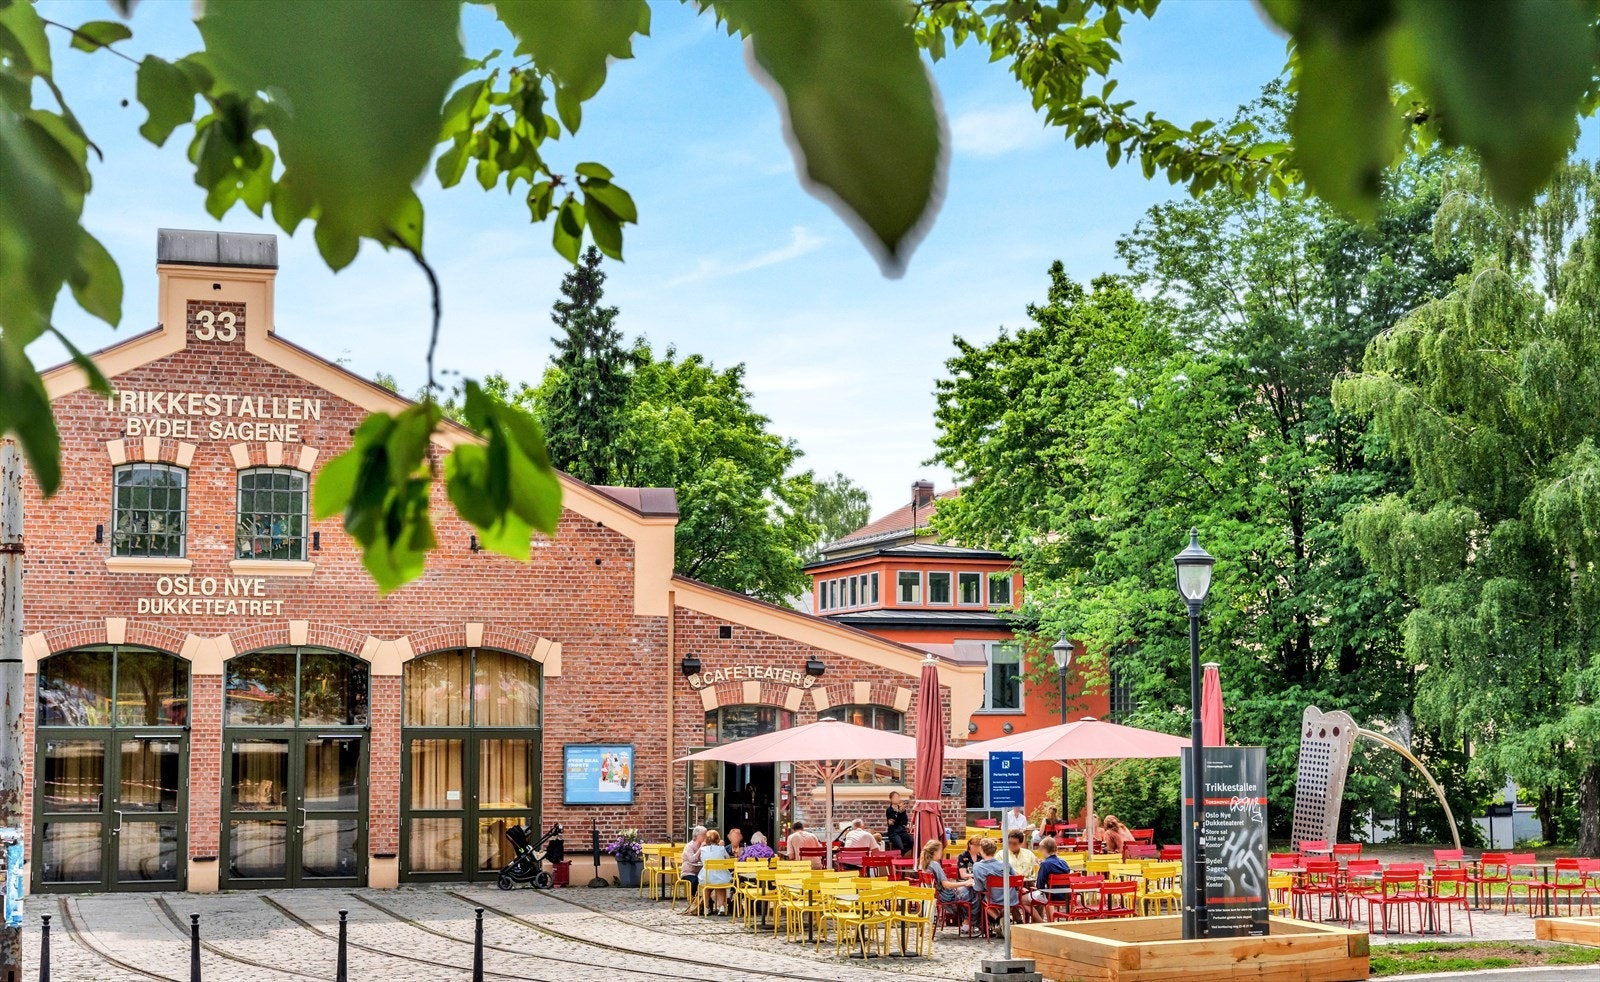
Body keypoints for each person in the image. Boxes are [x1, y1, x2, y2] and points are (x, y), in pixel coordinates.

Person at [972, 837, 1033, 926]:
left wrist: (972, 883)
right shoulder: (1005, 864)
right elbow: (1015, 879)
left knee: (982, 900)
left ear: (981, 850)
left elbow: (979, 888)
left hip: (993, 899)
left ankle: (999, 920)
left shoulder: (977, 866)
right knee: (1006, 897)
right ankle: (1007, 921)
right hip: (1011, 899)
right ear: (995, 851)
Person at [922, 840, 974, 928]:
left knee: (965, 891)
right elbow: (946, 884)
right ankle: (970, 923)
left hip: (940, 895)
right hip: (947, 897)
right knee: (971, 892)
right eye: (941, 850)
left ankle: (967, 923)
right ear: (935, 852)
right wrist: (965, 883)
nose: (942, 852)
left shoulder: (926, 864)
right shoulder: (935, 864)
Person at [693, 829, 734, 916]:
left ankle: (706, 908)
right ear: (718, 839)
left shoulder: (703, 849)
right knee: (720, 886)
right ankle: (721, 907)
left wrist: (701, 848)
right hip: (721, 876)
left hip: (707, 876)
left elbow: (697, 858)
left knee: (707, 887)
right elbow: (728, 859)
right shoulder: (721, 849)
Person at [1033, 836, 1074, 917]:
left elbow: (1039, 886)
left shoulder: (1045, 864)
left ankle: (1041, 921)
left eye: (1040, 849)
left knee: (1028, 898)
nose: (1040, 851)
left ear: (1044, 849)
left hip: (1052, 897)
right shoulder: (1063, 862)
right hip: (1067, 896)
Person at [678, 826, 706, 904]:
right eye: (704, 835)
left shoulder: (705, 846)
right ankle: (693, 900)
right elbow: (692, 860)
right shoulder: (689, 846)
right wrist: (700, 849)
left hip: (701, 872)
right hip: (689, 872)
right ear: (698, 836)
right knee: (695, 881)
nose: (705, 837)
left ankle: (706, 902)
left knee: (710, 881)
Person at [884, 791, 913, 856]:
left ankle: (899, 855)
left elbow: (904, 821)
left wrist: (900, 813)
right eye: (895, 797)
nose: (897, 799)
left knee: (912, 841)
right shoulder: (889, 810)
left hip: (902, 831)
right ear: (891, 799)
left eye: (898, 797)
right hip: (893, 832)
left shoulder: (902, 809)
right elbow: (893, 823)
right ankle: (899, 859)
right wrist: (899, 813)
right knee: (901, 847)